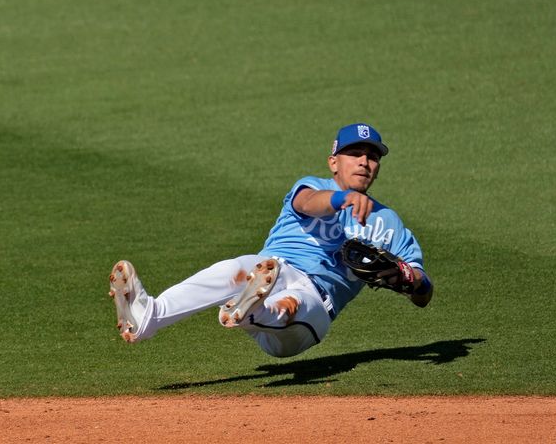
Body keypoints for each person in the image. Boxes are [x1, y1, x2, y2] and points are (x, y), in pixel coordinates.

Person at [109, 123, 433, 358]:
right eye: (354, 153)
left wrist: (408, 279)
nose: (364, 161)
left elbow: (424, 292)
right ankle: (148, 316)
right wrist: (341, 199)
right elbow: (309, 204)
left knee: (294, 303)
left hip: (315, 305)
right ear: (334, 162)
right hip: (271, 269)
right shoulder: (310, 187)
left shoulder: (387, 223)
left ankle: (252, 312)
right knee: (235, 270)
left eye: (372, 156)